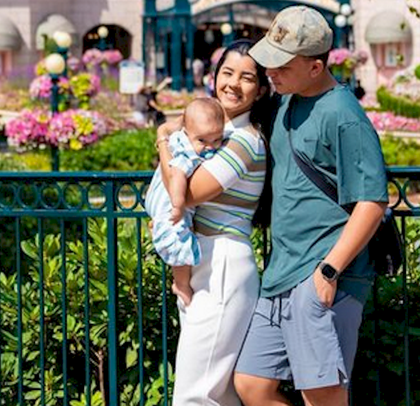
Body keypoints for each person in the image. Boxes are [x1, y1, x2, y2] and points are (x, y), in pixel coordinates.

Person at [233, 6, 388, 406]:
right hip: (283, 271)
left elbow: (371, 202)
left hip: (321, 273)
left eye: (281, 64)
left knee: (322, 396)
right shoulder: (286, 101)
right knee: (252, 384)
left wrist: (328, 271)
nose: (271, 72)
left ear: (316, 67)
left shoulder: (343, 114)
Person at [154, 39, 273, 406]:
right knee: (216, 395)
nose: (233, 84)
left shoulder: (245, 140)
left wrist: (162, 138)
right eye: (227, 72)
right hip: (203, 260)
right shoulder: (214, 136)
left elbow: (187, 194)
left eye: (247, 77)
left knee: (195, 396)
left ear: (262, 89)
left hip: (221, 262)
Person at [146, 98, 225, 307]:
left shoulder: (186, 140)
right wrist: (178, 206)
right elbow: (177, 176)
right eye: (203, 141)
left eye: (217, 140)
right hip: (171, 202)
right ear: (188, 134)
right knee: (178, 239)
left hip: (163, 201)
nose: (210, 147)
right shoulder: (186, 153)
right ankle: (181, 284)